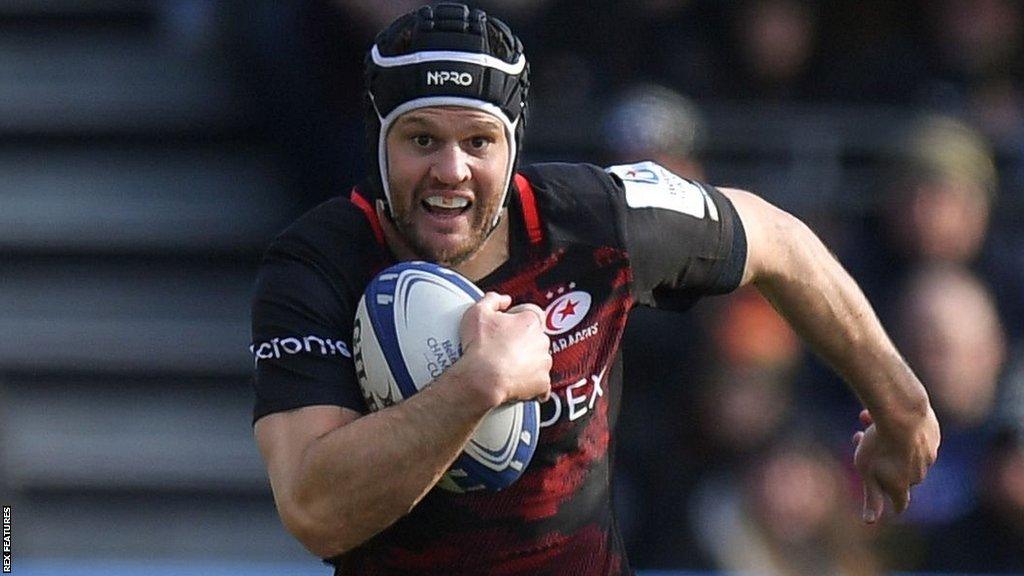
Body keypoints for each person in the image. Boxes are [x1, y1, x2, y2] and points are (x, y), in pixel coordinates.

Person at [249, 4, 940, 575]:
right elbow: (315, 511)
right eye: (421, 138)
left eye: (479, 142)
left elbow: (778, 240)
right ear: (379, 143)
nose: (451, 170)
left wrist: (901, 403)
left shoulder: (595, 223)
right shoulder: (318, 265)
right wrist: (478, 384)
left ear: (514, 145)